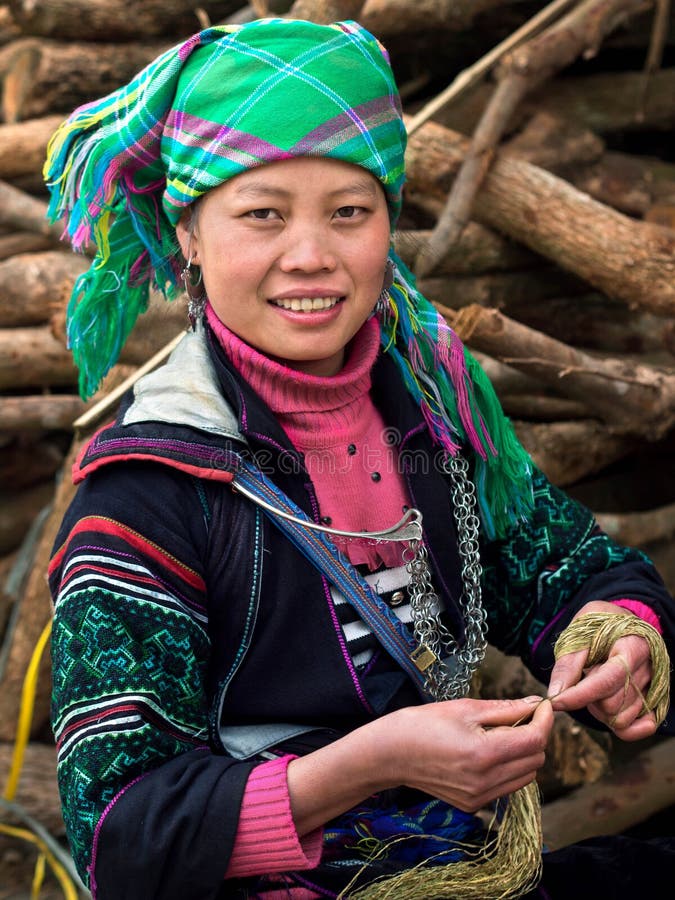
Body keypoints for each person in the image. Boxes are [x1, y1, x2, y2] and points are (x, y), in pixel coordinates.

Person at [44, 17, 675, 900]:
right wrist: (366, 765)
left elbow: (580, 572)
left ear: (389, 220)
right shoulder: (146, 499)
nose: (311, 256)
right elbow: (124, 838)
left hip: (457, 866)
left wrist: (616, 639)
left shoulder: (430, 417)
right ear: (186, 231)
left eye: (349, 212)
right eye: (261, 214)